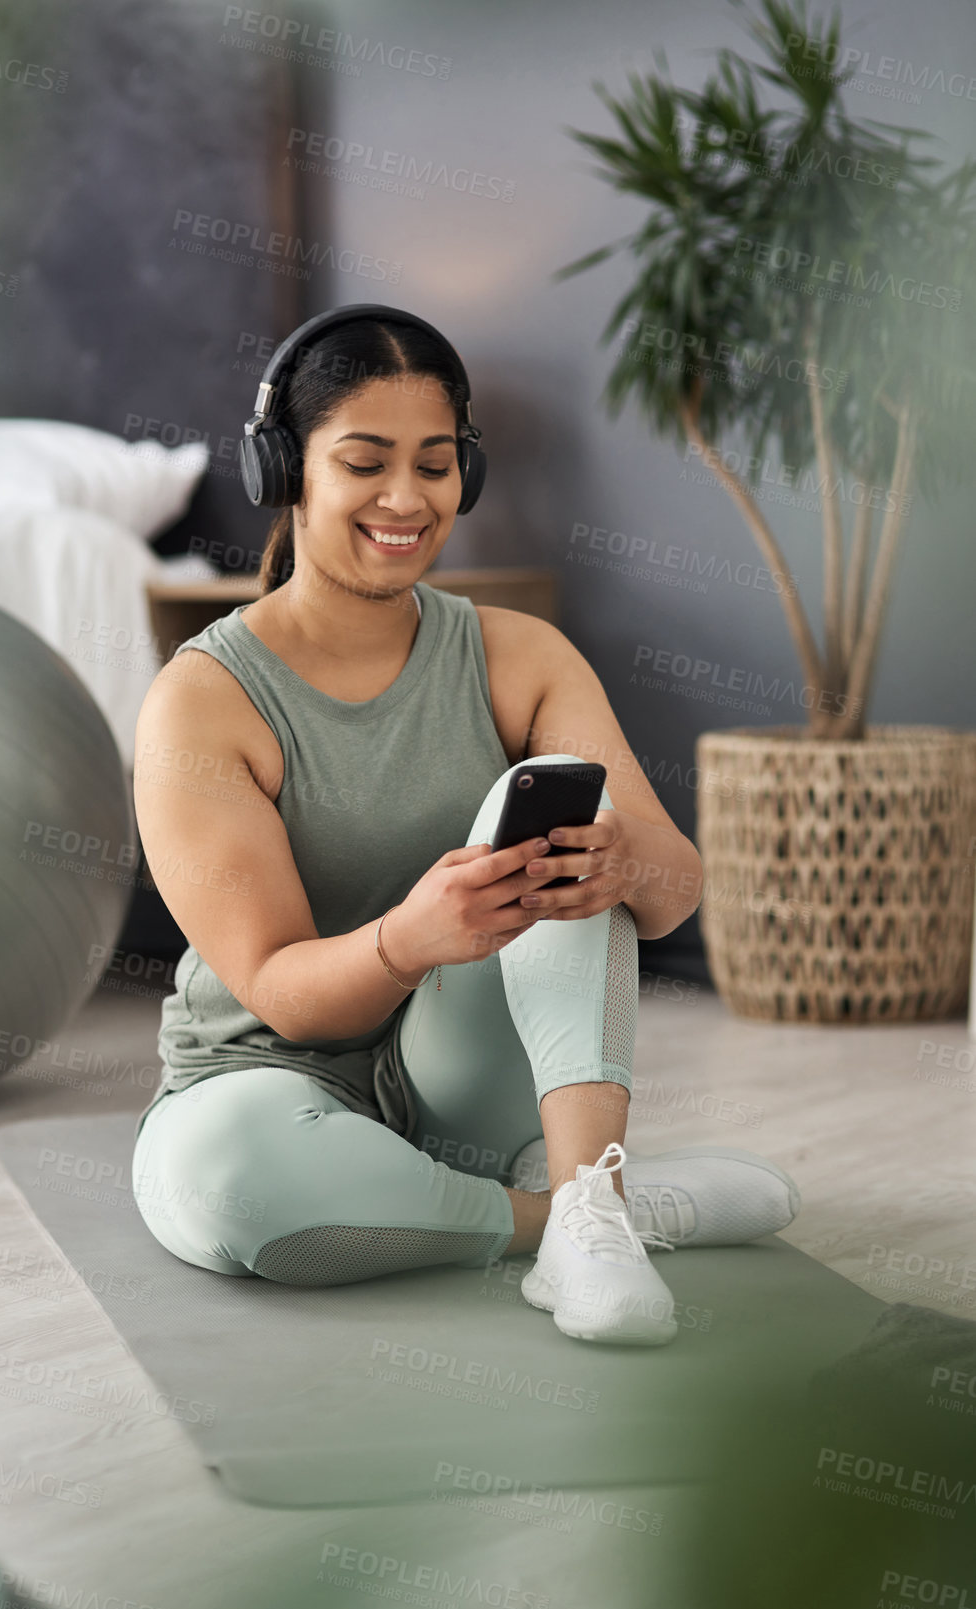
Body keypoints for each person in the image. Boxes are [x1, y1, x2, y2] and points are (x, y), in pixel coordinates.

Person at [130, 308, 799, 1347]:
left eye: (435, 465)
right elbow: (282, 996)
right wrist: (410, 937)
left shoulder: (519, 655)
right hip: (261, 1082)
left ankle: (583, 1210)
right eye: (366, 463)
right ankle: (584, 1214)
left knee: (568, 803)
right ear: (285, 471)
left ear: (466, 475)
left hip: (460, 1087)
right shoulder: (205, 698)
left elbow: (672, 897)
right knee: (232, 1185)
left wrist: (619, 862)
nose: (407, 499)